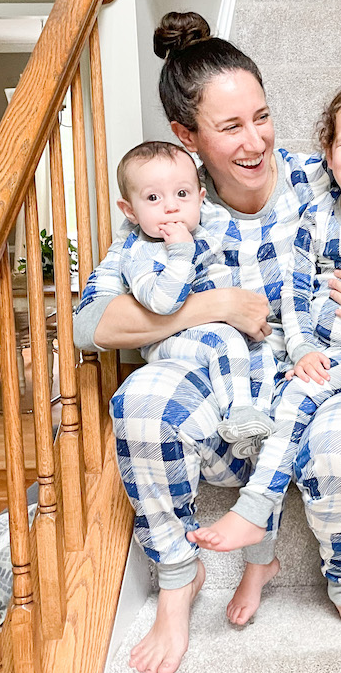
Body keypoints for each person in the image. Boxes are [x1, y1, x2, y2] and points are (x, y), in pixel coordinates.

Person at [73, 11, 341, 673]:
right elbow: (93, 325)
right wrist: (215, 306)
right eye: (231, 126)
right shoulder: (173, 204)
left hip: (319, 389)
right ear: (187, 135)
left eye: (262, 116)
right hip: (224, 412)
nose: (256, 139)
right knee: (144, 398)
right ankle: (180, 575)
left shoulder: (322, 177)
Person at [190, 66, 341, 574]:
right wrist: (299, 349)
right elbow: (293, 296)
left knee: (295, 397)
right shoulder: (316, 217)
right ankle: (259, 562)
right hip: (318, 354)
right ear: (328, 151)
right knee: (279, 405)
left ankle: (253, 508)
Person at [114, 139, 274, 458]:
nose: (171, 206)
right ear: (130, 211)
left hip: (215, 336)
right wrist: (180, 253)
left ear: (200, 199)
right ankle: (239, 412)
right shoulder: (141, 253)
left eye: (182, 194)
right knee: (225, 339)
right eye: (153, 198)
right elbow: (162, 303)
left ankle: (251, 430)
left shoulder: (202, 232)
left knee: (263, 354)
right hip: (169, 339)